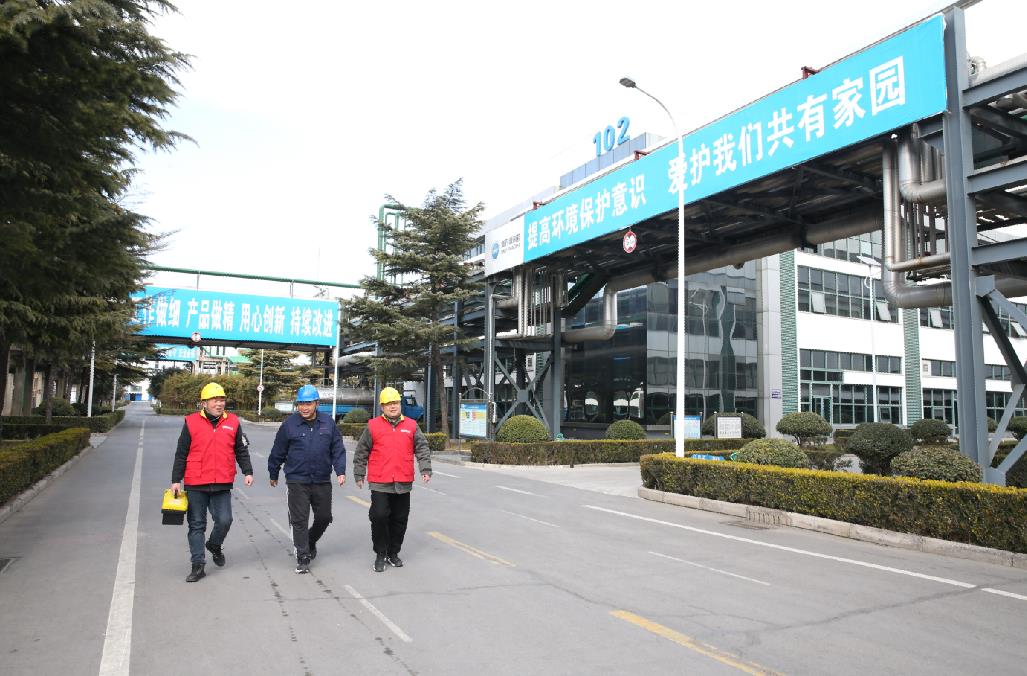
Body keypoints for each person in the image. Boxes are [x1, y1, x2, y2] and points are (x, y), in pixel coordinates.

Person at [171, 382, 253, 583]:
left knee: (225, 520)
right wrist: (176, 480)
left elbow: (240, 449)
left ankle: (214, 545)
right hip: (196, 482)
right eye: (214, 400)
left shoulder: (233, 422)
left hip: (222, 481)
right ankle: (198, 565)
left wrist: (247, 471)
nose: (219, 403)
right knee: (196, 525)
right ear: (204, 403)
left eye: (222, 399)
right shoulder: (191, 422)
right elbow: (181, 453)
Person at [268, 384, 346, 574]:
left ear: (316, 403)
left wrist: (340, 471)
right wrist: (273, 472)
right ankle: (303, 556)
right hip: (297, 480)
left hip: (322, 479)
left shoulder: (328, 423)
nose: (304, 407)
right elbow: (278, 450)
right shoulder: (289, 425)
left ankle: (310, 541)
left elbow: (337, 448)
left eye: (308, 403)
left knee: (324, 517)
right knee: (299, 520)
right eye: (301, 403)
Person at [353, 386, 432, 572]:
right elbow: (362, 451)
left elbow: (422, 448)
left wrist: (425, 469)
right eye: (388, 403)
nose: (393, 406)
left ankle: (393, 553)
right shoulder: (373, 426)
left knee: (400, 519)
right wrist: (359, 473)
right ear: (382, 407)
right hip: (380, 481)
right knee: (379, 516)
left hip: (403, 482)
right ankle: (380, 554)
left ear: (400, 404)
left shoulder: (411, 425)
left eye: (395, 402)